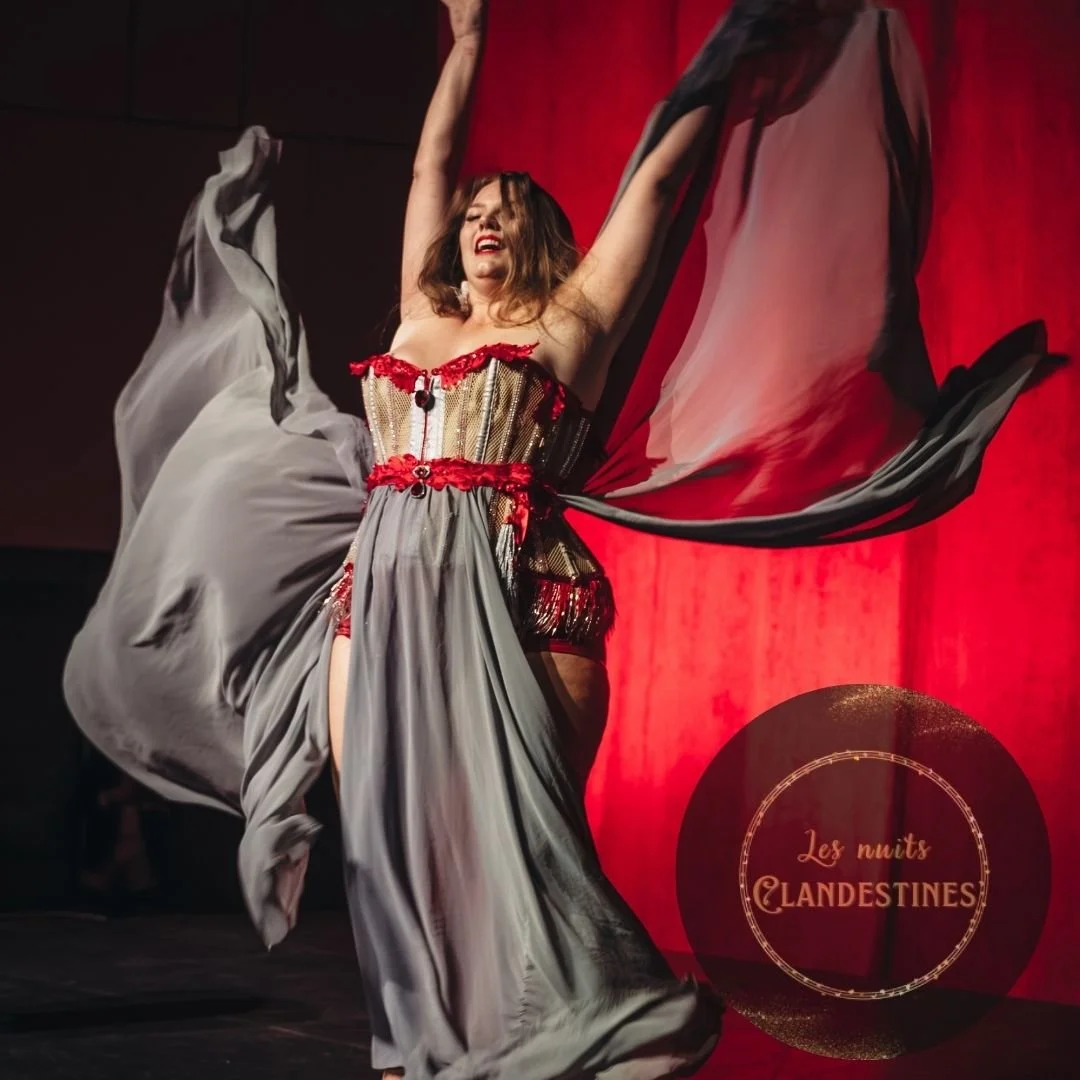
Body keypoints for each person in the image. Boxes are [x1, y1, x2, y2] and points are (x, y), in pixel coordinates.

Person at [62, 1, 1058, 1077]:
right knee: (386, 834)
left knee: (526, 830)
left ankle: (579, 1020)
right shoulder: (419, 317)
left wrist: (722, 68)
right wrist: (469, 44)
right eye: (474, 212)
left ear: (534, 236)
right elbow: (429, 168)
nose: (483, 221)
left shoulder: (570, 323)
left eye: (505, 212)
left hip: (519, 587)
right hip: (380, 591)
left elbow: (657, 187)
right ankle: (409, 1044)